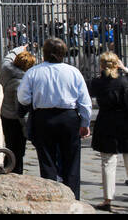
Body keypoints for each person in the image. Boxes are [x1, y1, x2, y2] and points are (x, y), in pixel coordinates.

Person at [17, 37, 92, 196]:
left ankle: (51, 195)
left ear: (44, 53)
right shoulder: (73, 72)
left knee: (47, 160)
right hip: (69, 117)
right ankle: (73, 197)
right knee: (71, 161)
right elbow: (84, 101)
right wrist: (85, 122)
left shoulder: (33, 72)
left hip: (43, 117)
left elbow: (23, 98)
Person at [88, 51, 128, 210]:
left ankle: (107, 199)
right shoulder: (124, 82)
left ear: (101, 66)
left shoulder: (97, 83)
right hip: (125, 122)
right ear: (117, 64)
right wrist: (125, 69)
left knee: (107, 162)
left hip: (106, 122)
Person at [0, 47, 35, 175]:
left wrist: (19, 48)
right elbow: (20, 109)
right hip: (15, 120)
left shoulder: (6, 71)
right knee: (18, 151)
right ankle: (15, 174)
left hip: (5, 115)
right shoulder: (20, 82)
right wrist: (26, 127)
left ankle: (8, 168)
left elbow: (7, 59)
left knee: (10, 146)